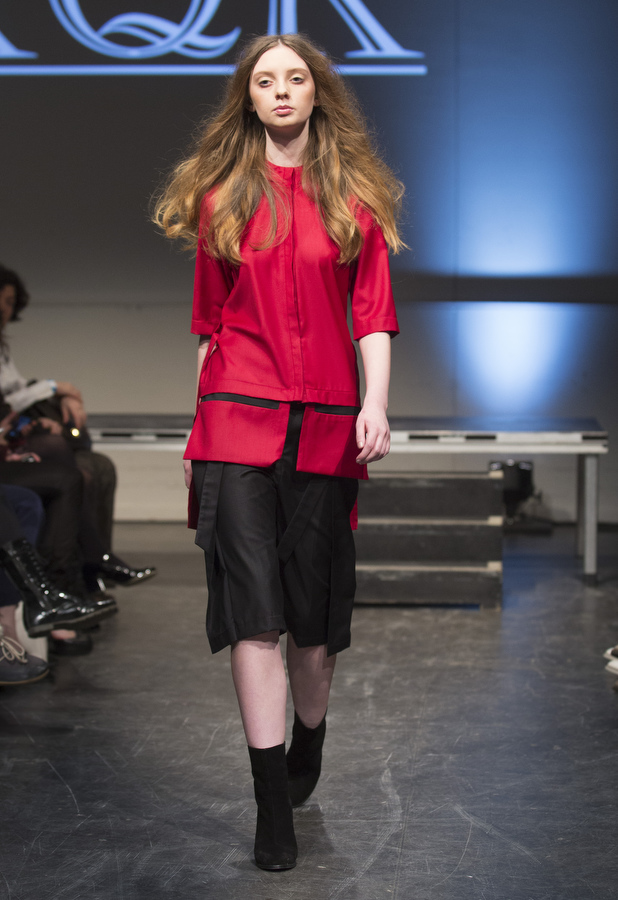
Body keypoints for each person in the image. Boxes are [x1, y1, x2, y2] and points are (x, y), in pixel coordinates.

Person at [154, 33, 403, 870]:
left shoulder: (353, 201)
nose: (283, 91)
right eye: (266, 81)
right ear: (250, 98)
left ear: (317, 92)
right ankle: (271, 808)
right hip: (235, 415)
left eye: (296, 78)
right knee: (253, 612)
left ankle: (310, 735)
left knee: (313, 630)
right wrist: (196, 431)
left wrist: (375, 401)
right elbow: (209, 326)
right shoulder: (221, 201)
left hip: (328, 421)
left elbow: (371, 314)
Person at [0, 265, 156, 593]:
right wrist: (59, 387)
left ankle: (90, 569)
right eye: (1, 299)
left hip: (12, 430)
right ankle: (85, 572)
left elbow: (14, 391)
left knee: (91, 467)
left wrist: (56, 399)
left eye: (11, 302)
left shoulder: (3, 346)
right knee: (72, 469)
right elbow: (11, 397)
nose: (4, 308)